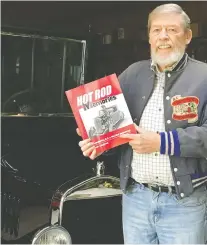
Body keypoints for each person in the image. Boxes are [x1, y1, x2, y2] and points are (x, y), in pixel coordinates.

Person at [76, 3, 207, 244]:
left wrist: (161, 142)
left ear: (187, 36)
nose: (163, 36)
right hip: (136, 197)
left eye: (172, 30)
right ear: (149, 36)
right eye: (156, 30)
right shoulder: (131, 74)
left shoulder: (204, 77)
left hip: (184, 203)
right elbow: (117, 129)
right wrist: (98, 141)